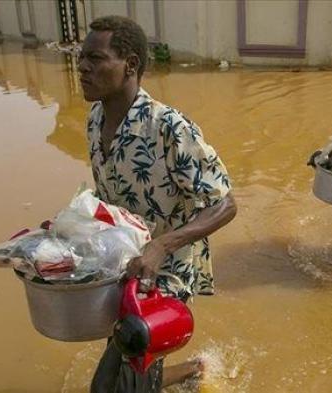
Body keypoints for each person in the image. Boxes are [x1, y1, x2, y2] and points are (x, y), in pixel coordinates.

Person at [78, 16, 237, 392]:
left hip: (166, 268)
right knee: (125, 365)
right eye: (82, 57)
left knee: (111, 381)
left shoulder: (168, 127)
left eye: (96, 59)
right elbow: (108, 201)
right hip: (125, 263)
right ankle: (193, 370)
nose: (82, 67)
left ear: (130, 65)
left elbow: (226, 204)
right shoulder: (94, 119)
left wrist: (161, 246)